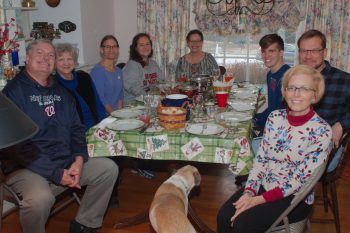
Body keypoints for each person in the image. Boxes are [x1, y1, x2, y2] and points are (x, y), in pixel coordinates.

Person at [2, 39, 118, 233]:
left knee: (108, 169)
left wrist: (79, 159)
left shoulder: (61, 92)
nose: (46, 58)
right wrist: (55, 172)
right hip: (27, 167)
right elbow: (17, 147)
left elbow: (77, 129)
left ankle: (84, 224)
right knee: (40, 199)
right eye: (40, 53)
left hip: (65, 160)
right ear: (28, 57)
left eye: (50, 55)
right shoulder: (12, 93)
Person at [217, 65, 333, 233]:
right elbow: (261, 160)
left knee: (243, 224)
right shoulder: (275, 118)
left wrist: (257, 200)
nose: (296, 94)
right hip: (265, 183)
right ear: (284, 92)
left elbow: (298, 181)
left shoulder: (322, 131)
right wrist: (249, 192)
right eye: (291, 87)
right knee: (223, 216)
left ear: (315, 95)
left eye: (304, 89)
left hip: (294, 197)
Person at [297, 29, 350, 171]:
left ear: (324, 52)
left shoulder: (344, 80)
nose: (308, 56)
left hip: (323, 151)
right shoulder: (295, 79)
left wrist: (341, 124)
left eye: (314, 50)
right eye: (303, 51)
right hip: (294, 142)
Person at [55, 43, 106, 129]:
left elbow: (98, 103)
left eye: (69, 59)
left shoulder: (84, 77)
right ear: (54, 62)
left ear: (74, 61)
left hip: (97, 127)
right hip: (76, 134)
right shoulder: (53, 85)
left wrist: (103, 125)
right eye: (61, 59)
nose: (66, 63)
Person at [254, 34, 290, 129]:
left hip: (280, 129)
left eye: (271, 51)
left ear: (281, 52)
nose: (266, 56)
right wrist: (255, 119)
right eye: (263, 51)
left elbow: (282, 114)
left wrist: (258, 123)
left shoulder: (288, 77)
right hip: (271, 122)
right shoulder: (270, 75)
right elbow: (272, 108)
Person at [123, 32, 164, 104]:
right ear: (136, 48)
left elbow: (161, 81)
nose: (145, 47)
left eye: (147, 44)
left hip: (150, 102)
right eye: (141, 45)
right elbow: (135, 88)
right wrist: (152, 99)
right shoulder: (132, 65)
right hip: (133, 105)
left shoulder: (153, 63)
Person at [90, 35, 124, 114]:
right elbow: (101, 99)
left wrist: (120, 113)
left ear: (118, 49)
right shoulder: (97, 71)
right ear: (101, 50)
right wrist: (115, 115)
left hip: (118, 113)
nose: (111, 49)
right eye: (107, 47)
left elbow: (120, 95)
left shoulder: (119, 71)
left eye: (114, 46)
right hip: (105, 116)